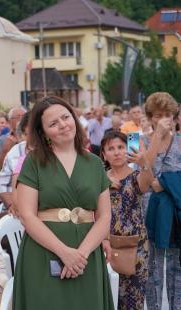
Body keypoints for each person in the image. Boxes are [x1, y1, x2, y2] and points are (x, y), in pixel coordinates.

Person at [14, 96, 114, 309]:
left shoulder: (95, 163)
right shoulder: (33, 162)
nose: (63, 125)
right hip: (43, 252)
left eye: (65, 117)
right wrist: (64, 252)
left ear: (74, 118)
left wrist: (81, 255)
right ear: (43, 132)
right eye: (53, 123)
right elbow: (26, 215)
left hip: (86, 256)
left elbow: (104, 216)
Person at [100, 131, 153, 310]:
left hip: (135, 247)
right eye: (111, 148)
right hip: (106, 244)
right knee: (108, 295)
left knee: (133, 297)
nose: (116, 152)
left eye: (121, 147)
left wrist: (144, 162)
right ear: (104, 154)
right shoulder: (99, 178)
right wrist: (103, 182)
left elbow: (146, 183)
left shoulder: (136, 176)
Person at [141, 92, 181, 310]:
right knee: (151, 265)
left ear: (174, 117)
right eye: (158, 115)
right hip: (148, 210)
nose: (164, 119)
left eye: (168, 114)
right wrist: (156, 138)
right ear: (150, 117)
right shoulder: (134, 140)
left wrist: (164, 182)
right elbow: (139, 176)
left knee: (177, 266)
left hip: (176, 210)